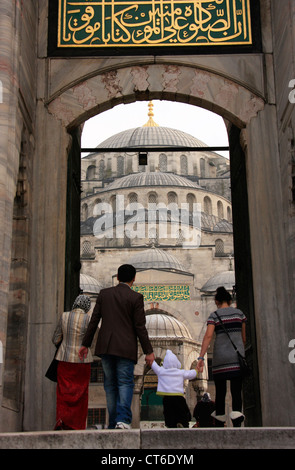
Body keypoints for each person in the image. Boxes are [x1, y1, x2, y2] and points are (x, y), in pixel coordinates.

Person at [79, 264, 155, 429]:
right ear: (134, 279)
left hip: (106, 348)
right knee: (125, 383)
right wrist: (149, 351)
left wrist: (86, 344)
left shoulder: (104, 294)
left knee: (110, 385)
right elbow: (140, 327)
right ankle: (123, 420)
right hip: (125, 348)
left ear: (118, 277)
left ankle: (113, 422)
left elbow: (94, 321)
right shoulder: (136, 297)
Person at [196, 286, 247, 427]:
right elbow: (243, 338)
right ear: (230, 300)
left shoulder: (214, 315)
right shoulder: (240, 314)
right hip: (236, 358)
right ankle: (237, 422)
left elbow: (208, 336)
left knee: (220, 391)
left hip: (220, 358)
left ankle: (219, 421)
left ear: (216, 301)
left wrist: (201, 357)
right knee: (236, 390)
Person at [52, 294, 93, 430]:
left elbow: (56, 338)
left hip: (64, 358)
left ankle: (62, 421)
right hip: (82, 361)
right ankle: (77, 425)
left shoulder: (64, 316)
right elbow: (92, 342)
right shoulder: (89, 319)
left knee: (63, 392)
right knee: (81, 394)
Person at [151, 349, 197, 428]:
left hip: (167, 397)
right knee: (182, 411)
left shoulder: (161, 371)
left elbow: (153, 364)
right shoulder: (180, 372)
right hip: (178, 396)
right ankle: (183, 423)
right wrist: (197, 369)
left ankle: (171, 424)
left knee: (169, 413)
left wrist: (149, 356)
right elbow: (191, 374)